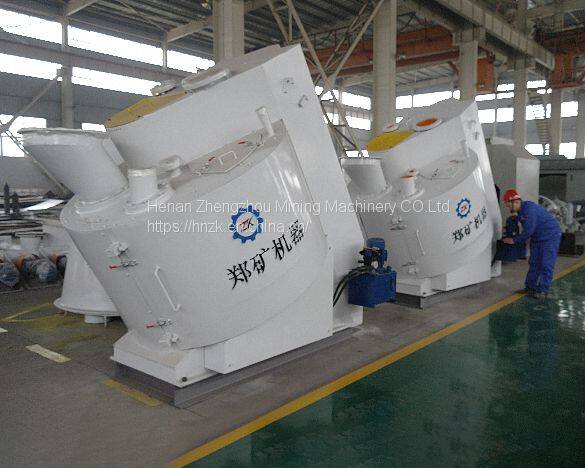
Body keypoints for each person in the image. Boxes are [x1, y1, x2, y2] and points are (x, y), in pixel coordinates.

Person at [502, 189, 562, 299]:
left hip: (550, 236)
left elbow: (528, 230)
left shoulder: (529, 210)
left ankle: (543, 290)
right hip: (537, 236)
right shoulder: (521, 212)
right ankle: (530, 287)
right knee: (534, 262)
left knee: (546, 264)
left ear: (515, 202)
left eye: (509, 205)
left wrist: (514, 240)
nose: (509, 208)